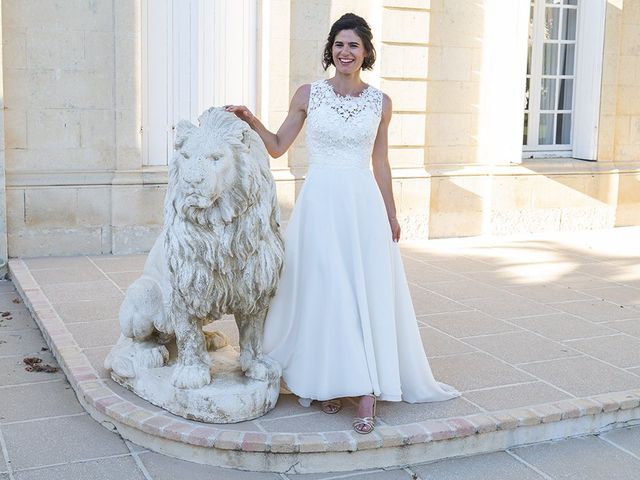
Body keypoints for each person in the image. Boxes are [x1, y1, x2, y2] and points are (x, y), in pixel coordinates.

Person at [225, 13, 459, 435]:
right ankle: (328, 380)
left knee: (359, 292)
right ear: (330, 50)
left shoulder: (380, 103)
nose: (345, 52)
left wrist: (390, 212)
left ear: (366, 51)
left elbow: (380, 161)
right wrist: (251, 120)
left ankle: (366, 390)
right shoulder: (308, 95)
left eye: (353, 45)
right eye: (338, 44)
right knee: (323, 290)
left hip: (361, 207)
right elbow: (278, 147)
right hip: (319, 204)